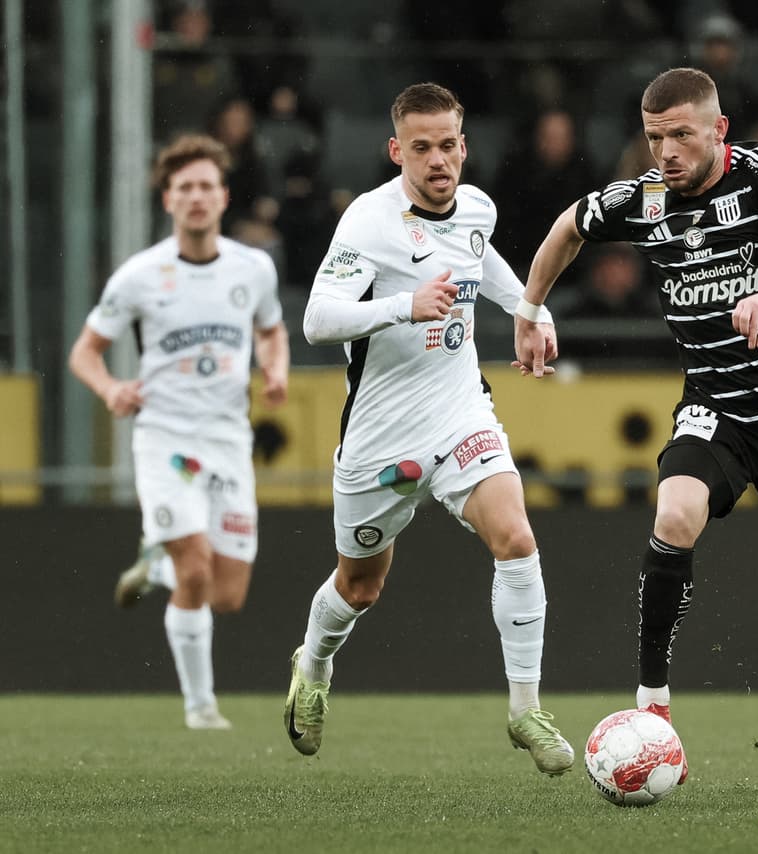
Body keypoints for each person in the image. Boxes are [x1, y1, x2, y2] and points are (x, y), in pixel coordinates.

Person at [513, 67, 758, 777]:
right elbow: (570, 227)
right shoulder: (645, 199)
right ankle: (653, 711)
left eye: (682, 135)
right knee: (674, 513)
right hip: (716, 404)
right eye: (655, 138)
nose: (667, 152)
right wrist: (531, 309)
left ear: (719, 130)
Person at [282, 82, 574, 776]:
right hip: (380, 437)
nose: (438, 160)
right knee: (360, 587)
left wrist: (531, 311)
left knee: (516, 538)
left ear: (464, 147)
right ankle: (313, 664)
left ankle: (526, 710)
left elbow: (481, 259)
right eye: (422, 148)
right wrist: (402, 305)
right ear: (396, 151)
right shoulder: (367, 221)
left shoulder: (477, 207)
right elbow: (317, 321)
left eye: (447, 146)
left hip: (458, 411)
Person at [67, 133, 290, 730]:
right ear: (168, 199)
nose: (196, 197)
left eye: (206, 186)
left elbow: (271, 330)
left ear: (224, 197)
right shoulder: (140, 276)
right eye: (184, 187)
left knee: (226, 595)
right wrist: (111, 389)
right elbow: (84, 352)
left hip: (228, 441)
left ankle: (156, 560)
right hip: (166, 439)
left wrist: (274, 368)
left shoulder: (253, 269)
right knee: (195, 569)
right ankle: (200, 708)